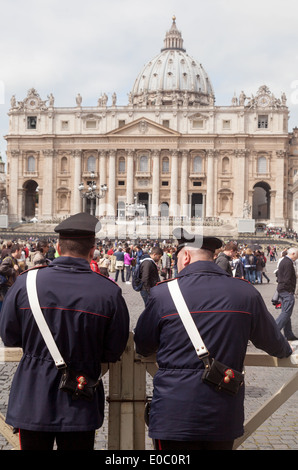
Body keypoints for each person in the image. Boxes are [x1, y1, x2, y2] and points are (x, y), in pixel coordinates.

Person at [134, 228, 292, 451]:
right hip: (223, 411)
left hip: (174, 413)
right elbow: (274, 343)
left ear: (186, 256)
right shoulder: (245, 293)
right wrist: (287, 350)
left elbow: (142, 345)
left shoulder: (163, 294)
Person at [0, 212, 129, 451]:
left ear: (57, 247)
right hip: (81, 393)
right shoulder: (108, 292)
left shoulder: (26, 283)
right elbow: (113, 350)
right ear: (93, 251)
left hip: (33, 394)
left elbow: (9, 337)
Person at [276, 247, 298, 340]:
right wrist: (289, 290)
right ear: (293, 253)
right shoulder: (288, 263)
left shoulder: (284, 261)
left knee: (286, 312)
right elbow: (287, 278)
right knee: (286, 313)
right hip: (286, 290)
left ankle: (288, 334)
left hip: (282, 289)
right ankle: (274, 331)